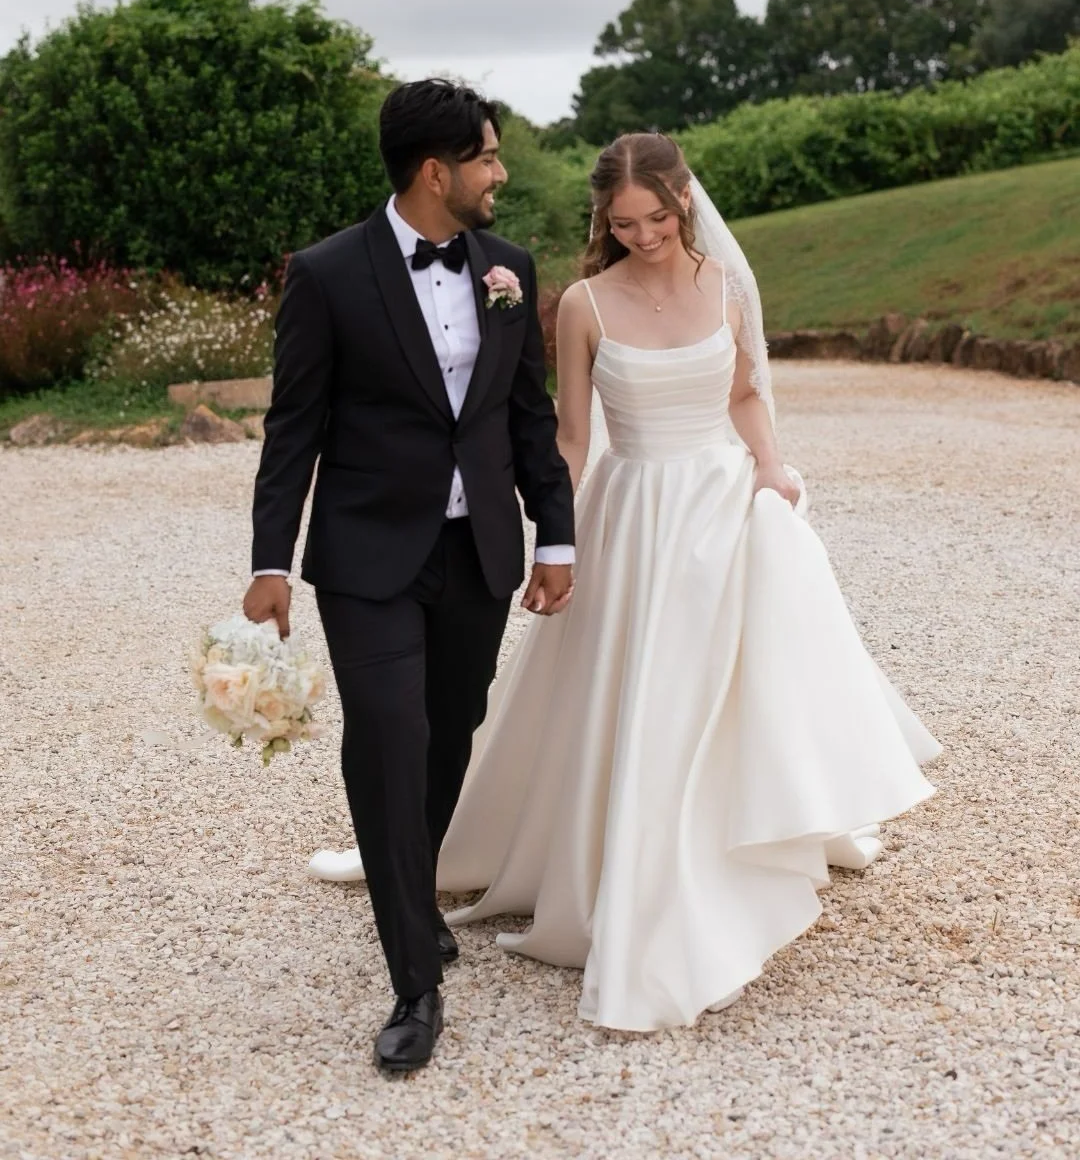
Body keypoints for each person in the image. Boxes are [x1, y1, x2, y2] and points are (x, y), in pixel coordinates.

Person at [311, 131, 941, 1034]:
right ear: (603, 221)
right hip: (633, 514)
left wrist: (772, 467)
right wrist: (552, 541)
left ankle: (719, 851)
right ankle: (625, 868)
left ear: (684, 201)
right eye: (623, 222)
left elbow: (746, 393)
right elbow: (568, 437)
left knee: (718, 691)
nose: (643, 235)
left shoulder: (726, 284)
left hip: (721, 506)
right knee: (638, 694)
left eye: (655, 217)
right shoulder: (582, 306)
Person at [244, 79, 575, 1071]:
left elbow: (525, 416)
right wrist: (271, 559)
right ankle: (413, 985)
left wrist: (553, 535)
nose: (500, 173)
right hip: (365, 557)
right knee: (388, 735)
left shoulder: (509, 270)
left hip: (477, 556)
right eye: (486, 157)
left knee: (447, 731)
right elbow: (294, 424)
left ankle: (410, 881)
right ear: (438, 172)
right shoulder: (330, 273)